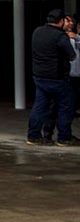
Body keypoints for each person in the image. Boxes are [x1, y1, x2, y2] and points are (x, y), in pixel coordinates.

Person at [27, 9, 77, 146]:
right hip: (58, 77)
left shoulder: (37, 31)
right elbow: (72, 55)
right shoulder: (60, 36)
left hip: (39, 76)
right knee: (65, 107)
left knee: (39, 107)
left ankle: (33, 136)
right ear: (61, 21)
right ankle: (64, 138)